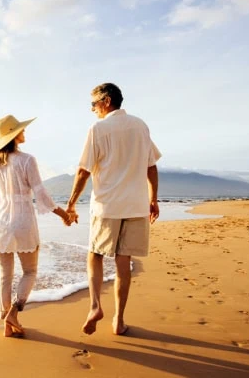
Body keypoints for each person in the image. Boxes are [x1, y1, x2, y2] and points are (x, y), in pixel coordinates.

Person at [66, 83, 161, 336]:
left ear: (106, 101)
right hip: (136, 205)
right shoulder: (140, 125)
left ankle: (96, 306)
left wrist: (71, 203)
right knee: (123, 261)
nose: (92, 109)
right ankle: (118, 321)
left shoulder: (98, 128)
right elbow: (151, 166)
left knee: (95, 255)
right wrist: (154, 200)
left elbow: (83, 170)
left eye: (94, 104)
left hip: (107, 205)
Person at [0, 114, 74, 338]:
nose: (25, 132)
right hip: (23, 221)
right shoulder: (27, 160)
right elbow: (41, 194)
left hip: (1, 224)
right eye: (21, 130)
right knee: (30, 271)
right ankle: (15, 311)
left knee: (4, 276)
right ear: (14, 135)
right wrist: (63, 214)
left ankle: (7, 325)